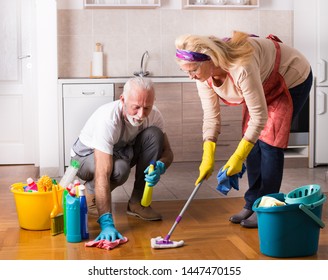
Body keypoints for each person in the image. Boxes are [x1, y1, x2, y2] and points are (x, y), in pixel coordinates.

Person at [175, 31, 313, 228]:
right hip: (262, 82)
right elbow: (211, 116)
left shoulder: (241, 67)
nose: (190, 76)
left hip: (290, 78)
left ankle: (267, 207)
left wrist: (237, 157)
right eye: (185, 71)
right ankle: (252, 203)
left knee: (269, 143)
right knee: (252, 143)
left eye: (193, 70)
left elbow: (259, 118)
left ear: (210, 60)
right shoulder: (203, 77)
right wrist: (208, 154)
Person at [70, 77, 174, 241]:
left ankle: (136, 204)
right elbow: (103, 172)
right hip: (83, 158)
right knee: (119, 170)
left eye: (146, 108)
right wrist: (106, 222)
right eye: (136, 107)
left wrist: (161, 164)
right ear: (123, 100)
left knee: (154, 134)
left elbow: (168, 152)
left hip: (118, 152)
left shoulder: (154, 115)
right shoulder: (108, 119)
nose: (141, 114)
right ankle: (89, 195)